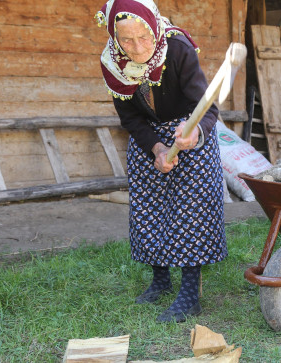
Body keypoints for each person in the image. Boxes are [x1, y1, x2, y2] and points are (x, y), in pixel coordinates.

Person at [95, 0, 227, 323]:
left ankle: (189, 293)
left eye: (143, 37)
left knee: (189, 209)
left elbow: (208, 108)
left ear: (153, 28)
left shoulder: (178, 48)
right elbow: (128, 117)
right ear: (114, 37)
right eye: (126, 40)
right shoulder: (113, 64)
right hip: (149, 137)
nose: (137, 47)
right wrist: (154, 148)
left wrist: (192, 134)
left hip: (188, 130)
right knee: (149, 206)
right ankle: (161, 279)